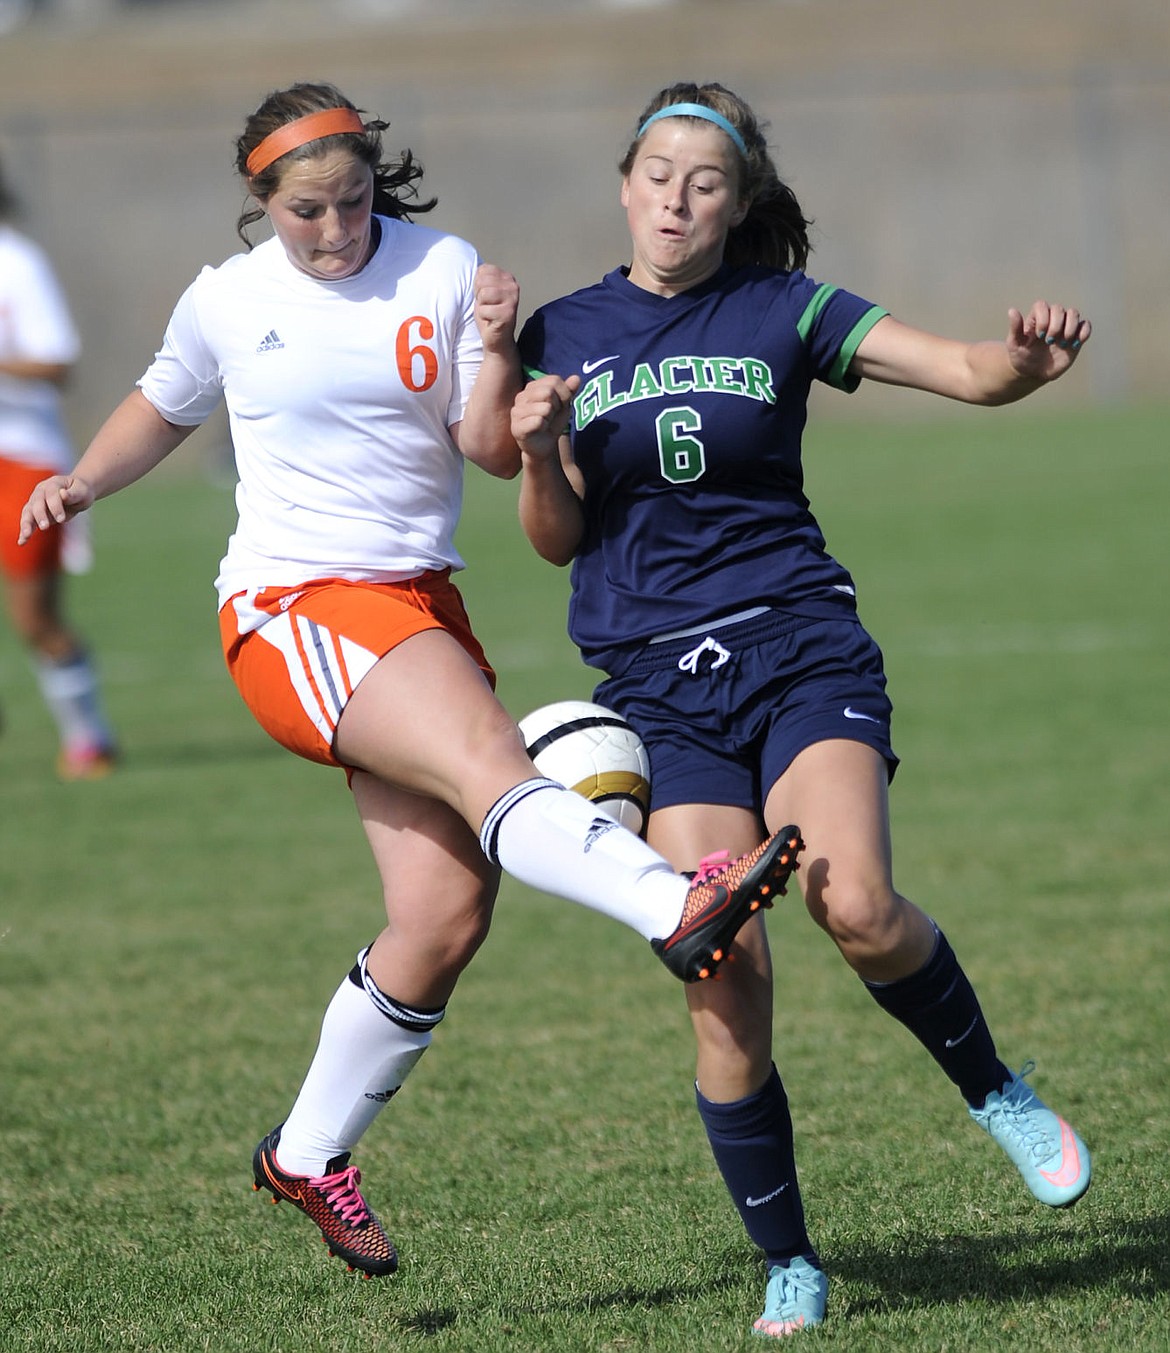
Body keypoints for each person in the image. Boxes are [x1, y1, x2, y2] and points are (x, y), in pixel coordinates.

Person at [18, 81, 803, 1281]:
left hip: (420, 600)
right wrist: (80, 479)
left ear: (375, 182)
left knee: (442, 918)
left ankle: (309, 1150)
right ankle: (670, 903)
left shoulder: (442, 268)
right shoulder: (229, 301)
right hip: (295, 605)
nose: (331, 231)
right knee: (499, 769)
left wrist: (497, 352)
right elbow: (158, 405)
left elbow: (487, 454)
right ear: (261, 204)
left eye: (349, 203)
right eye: (303, 213)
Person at [512, 81, 1093, 1339]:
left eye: (705, 180)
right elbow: (554, 540)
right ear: (624, 184)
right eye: (658, 173)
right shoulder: (561, 330)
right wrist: (542, 447)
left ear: (738, 203)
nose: (677, 196)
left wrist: (1024, 365)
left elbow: (962, 370)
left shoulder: (786, 309)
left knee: (858, 903)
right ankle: (790, 1261)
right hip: (658, 690)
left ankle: (996, 1089)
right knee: (725, 969)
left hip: (797, 643)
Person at [0, 153, 117, 779]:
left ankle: (89, 737)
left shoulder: (16, 264)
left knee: (34, 618)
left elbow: (58, 361)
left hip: (22, 460)